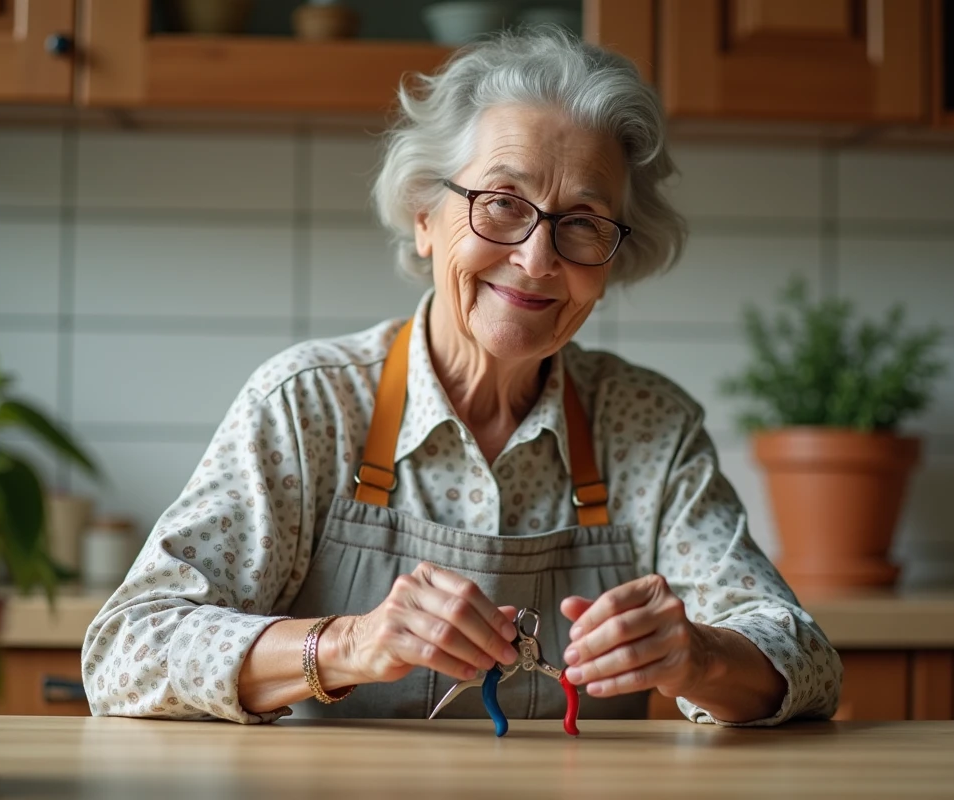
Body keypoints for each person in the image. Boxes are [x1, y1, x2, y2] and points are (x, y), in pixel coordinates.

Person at [82, 29, 842, 727]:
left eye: (582, 221)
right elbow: (125, 649)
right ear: (424, 213)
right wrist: (348, 644)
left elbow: (803, 658)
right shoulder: (310, 404)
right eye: (502, 203)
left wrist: (699, 659)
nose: (538, 259)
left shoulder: (646, 424)